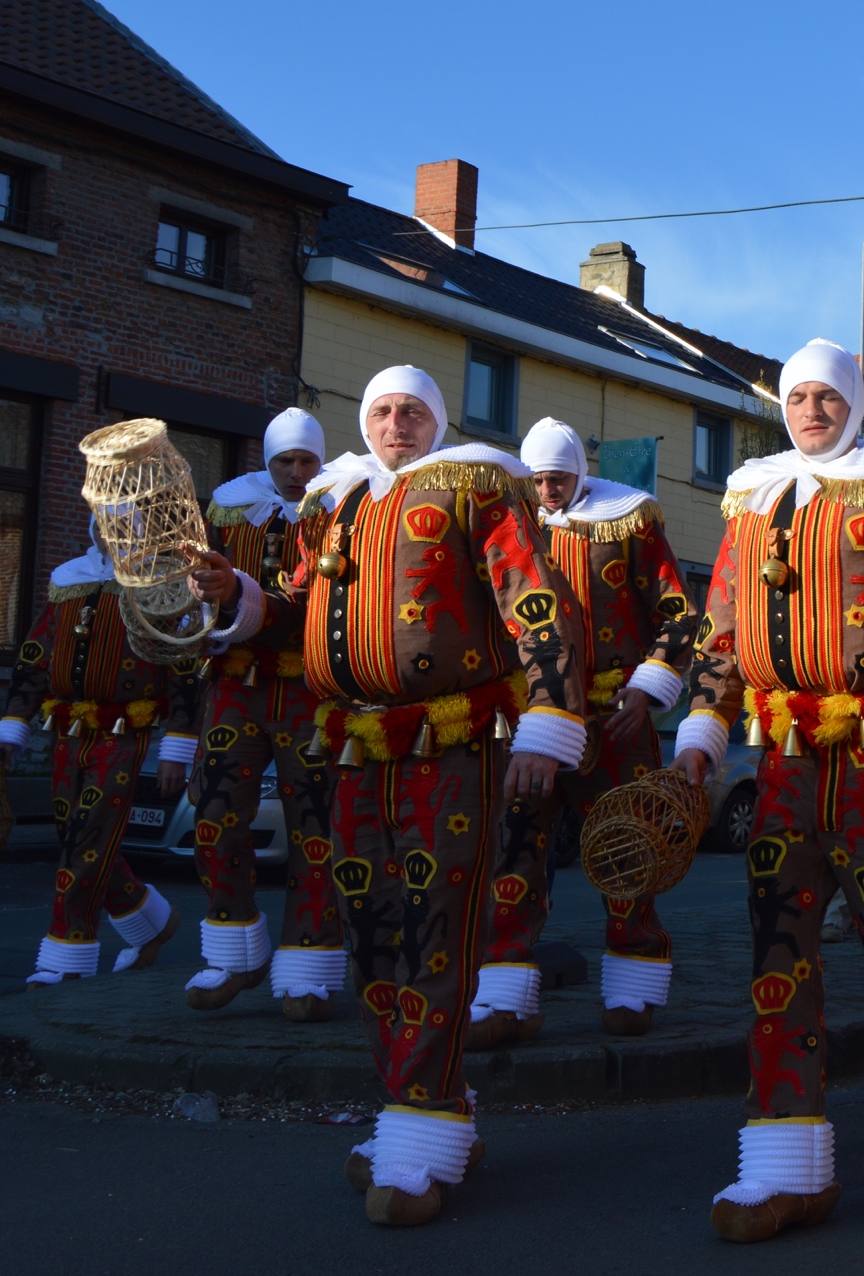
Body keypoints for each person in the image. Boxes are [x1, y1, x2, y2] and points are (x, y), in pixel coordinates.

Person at [194, 365, 590, 1227]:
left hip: (454, 740)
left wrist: (550, 716)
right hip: (355, 742)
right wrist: (240, 596)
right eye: (379, 410)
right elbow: (305, 606)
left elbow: (534, 599)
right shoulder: (338, 502)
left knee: (435, 926)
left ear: (438, 420)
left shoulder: (476, 487)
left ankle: (419, 1121)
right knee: (368, 930)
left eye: (412, 411)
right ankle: (429, 1101)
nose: (395, 424)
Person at [670, 339, 864, 1242]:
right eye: (797, 397)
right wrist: (701, 730)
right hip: (783, 764)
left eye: (826, 397)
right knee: (776, 954)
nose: (811, 411)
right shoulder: (755, 497)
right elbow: (721, 628)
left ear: (855, 403)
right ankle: (785, 1160)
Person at [466, 417, 699, 1043]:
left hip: (613, 711)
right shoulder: (504, 527)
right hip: (531, 714)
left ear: (580, 472)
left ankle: (633, 982)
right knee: (515, 847)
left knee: (627, 845)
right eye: (537, 479)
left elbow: (678, 613)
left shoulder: (629, 521)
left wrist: (649, 687)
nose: (546, 490)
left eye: (558, 478)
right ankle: (506, 992)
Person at [180, 408, 343, 1017]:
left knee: (315, 827)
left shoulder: (336, 511)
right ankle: (233, 948)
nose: (297, 473)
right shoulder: (227, 511)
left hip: (309, 689)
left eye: (306, 461)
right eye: (285, 462)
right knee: (215, 814)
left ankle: (309, 958)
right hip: (235, 686)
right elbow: (197, 591)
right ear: (267, 463)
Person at [3, 523, 200, 985]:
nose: (112, 538)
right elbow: (35, 657)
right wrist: (12, 725)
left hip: (123, 731)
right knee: (79, 837)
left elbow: (184, 670)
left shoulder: (161, 588)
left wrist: (178, 747)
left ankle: (68, 952)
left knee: (88, 838)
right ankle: (151, 921)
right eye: (104, 528)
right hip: (66, 729)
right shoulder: (69, 580)